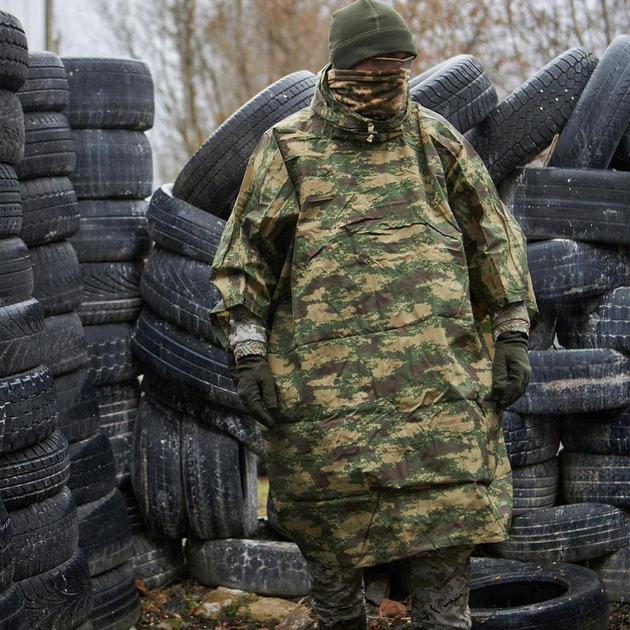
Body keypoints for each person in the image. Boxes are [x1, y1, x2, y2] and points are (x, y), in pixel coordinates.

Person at [209, 1, 538, 628]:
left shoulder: (434, 142)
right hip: (328, 416)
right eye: (374, 65)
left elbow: (494, 237)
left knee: (446, 586)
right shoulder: (290, 151)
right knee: (336, 586)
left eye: (400, 64)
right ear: (342, 67)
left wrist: (513, 332)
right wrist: (247, 352)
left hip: (438, 408)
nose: (388, 76)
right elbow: (244, 259)